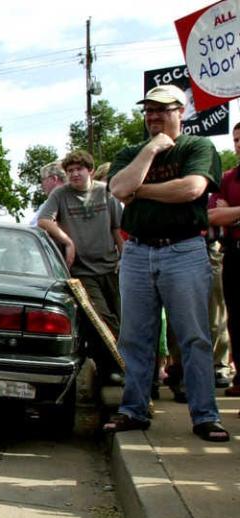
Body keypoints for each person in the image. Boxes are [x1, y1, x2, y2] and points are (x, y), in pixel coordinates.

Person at [103, 84, 229, 442]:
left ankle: (205, 416)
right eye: (149, 111)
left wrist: (138, 189)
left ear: (181, 112)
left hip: (185, 250)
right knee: (135, 339)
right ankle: (133, 410)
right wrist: (152, 149)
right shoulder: (133, 150)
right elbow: (116, 189)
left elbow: (191, 189)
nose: (154, 116)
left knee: (194, 338)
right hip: (138, 252)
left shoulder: (198, 147)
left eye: (163, 109)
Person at [37, 150, 124, 387]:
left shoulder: (105, 192)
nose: (75, 174)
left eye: (79, 169)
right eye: (70, 170)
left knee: (122, 318)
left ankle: (122, 368)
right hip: (82, 271)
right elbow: (44, 220)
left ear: (90, 171)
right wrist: (67, 241)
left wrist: (124, 258)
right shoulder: (60, 194)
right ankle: (117, 368)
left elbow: (117, 229)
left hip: (110, 267)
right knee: (102, 319)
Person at [208, 121, 240, 396]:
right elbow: (214, 215)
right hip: (233, 252)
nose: (239, 144)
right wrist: (227, 214)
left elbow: (225, 213)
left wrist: (233, 211)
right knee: (234, 319)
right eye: (237, 139)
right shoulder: (229, 178)